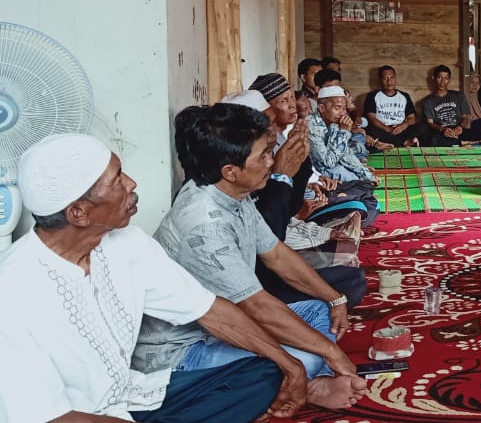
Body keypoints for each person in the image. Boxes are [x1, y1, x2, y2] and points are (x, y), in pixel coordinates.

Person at [0, 133, 306, 422]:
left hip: (131, 397)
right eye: (117, 180)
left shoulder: (128, 242)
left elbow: (210, 311)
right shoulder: (13, 290)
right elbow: (47, 416)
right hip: (73, 417)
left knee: (263, 372)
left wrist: (290, 364)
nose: (132, 183)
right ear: (79, 213)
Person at [135, 104, 368, 411]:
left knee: (318, 310)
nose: (273, 162)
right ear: (230, 171)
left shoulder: (231, 192)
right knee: (303, 357)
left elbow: (277, 255)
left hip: (231, 326)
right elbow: (256, 306)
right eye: (263, 156)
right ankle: (306, 383)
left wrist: (335, 299)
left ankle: (305, 380)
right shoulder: (204, 223)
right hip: (185, 351)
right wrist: (331, 353)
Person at [246, 74, 369, 308]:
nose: (292, 106)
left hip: (291, 225)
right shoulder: (250, 163)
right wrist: (284, 176)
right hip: (260, 269)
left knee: (361, 204)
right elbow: (272, 238)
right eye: (283, 101)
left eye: (292, 98)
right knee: (348, 277)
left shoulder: (284, 141)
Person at [307, 85, 381, 229]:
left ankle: (348, 207)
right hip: (321, 176)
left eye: (344, 108)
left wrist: (367, 174)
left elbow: (346, 154)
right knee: (358, 185)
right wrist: (344, 132)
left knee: (368, 189)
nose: (342, 113)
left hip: (332, 171)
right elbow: (328, 162)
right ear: (322, 108)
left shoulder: (333, 122)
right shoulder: (311, 125)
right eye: (337, 108)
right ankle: (342, 200)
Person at [421, 64, 481, 147]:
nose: (442, 81)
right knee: (432, 140)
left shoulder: (459, 96)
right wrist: (443, 129)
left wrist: (460, 127)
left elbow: (465, 117)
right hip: (441, 132)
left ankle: (456, 142)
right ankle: (464, 143)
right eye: (439, 77)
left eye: (445, 78)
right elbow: (430, 123)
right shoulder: (427, 101)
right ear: (434, 78)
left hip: (458, 130)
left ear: (449, 80)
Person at [364, 65, 424, 147]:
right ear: (380, 80)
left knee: (422, 127)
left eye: (392, 77)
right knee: (369, 128)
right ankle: (404, 143)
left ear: (395, 78)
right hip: (383, 130)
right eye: (385, 78)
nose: (389, 81)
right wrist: (386, 128)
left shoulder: (404, 96)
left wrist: (404, 125)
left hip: (401, 130)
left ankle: (388, 143)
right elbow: (372, 118)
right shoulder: (372, 96)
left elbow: (412, 118)